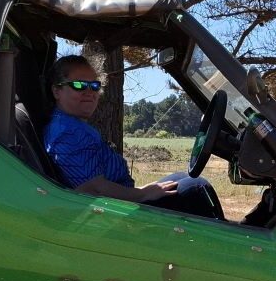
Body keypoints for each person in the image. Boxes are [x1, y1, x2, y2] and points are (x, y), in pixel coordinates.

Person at [43, 54, 223, 219]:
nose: (89, 92)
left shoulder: (71, 124)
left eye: (94, 85)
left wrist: (141, 191)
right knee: (196, 188)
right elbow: (92, 189)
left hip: (115, 205)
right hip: (107, 215)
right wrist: (142, 194)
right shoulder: (66, 131)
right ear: (56, 91)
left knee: (182, 178)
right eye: (79, 85)